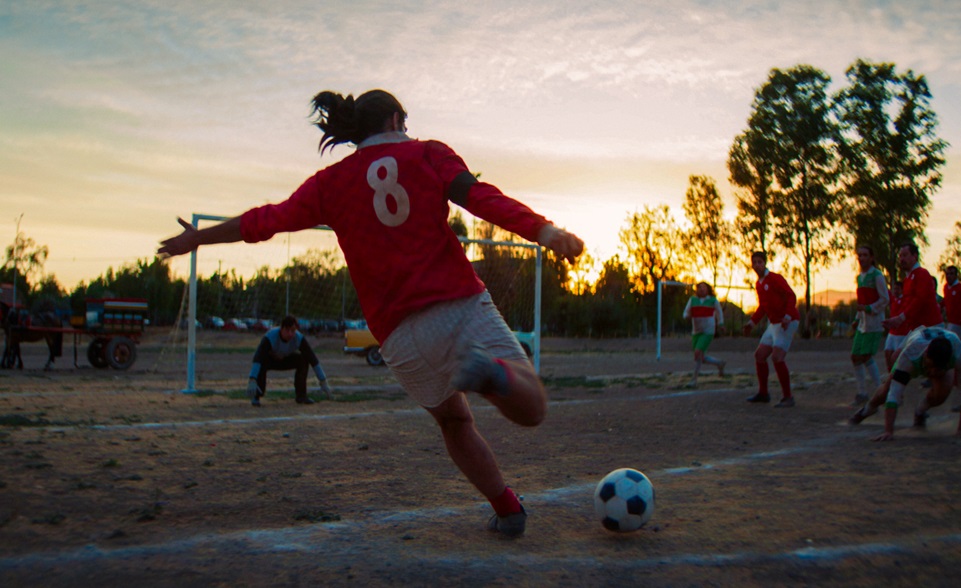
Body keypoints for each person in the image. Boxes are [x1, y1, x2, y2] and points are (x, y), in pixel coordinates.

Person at [158, 89, 584, 538]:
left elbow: (266, 220)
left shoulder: (329, 183)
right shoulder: (428, 153)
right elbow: (478, 197)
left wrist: (199, 238)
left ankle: (508, 509)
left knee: (454, 420)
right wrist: (542, 230)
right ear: (396, 120)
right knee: (532, 407)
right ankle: (490, 372)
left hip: (399, 337)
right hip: (458, 306)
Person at [849, 326, 961, 441]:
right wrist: (888, 431)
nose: (932, 372)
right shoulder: (910, 354)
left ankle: (920, 411)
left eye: (938, 368)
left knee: (941, 394)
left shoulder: (958, 354)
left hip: (939, 349)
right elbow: (894, 394)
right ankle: (868, 409)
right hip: (913, 341)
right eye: (930, 366)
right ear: (926, 353)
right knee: (887, 390)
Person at [742, 251, 800, 407]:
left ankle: (788, 397)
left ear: (765, 263)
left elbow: (791, 295)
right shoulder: (759, 284)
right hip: (774, 324)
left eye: (760, 262)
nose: (757, 265)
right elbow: (763, 307)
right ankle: (763, 393)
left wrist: (788, 315)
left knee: (777, 357)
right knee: (760, 355)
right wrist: (752, 323)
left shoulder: (775, 278)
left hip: (787, 321)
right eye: (754, 262)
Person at [247, 315, 331, 407]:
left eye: (293, 330)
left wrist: (323, 381)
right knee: (261, 363)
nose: (290, 334)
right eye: (287, 330)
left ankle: (301, 396)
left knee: (303, 360)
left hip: (286, 359)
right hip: (270, 360)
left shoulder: (298, 338)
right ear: (281, 328)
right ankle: (256, 395)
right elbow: (258, 357)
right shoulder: (270, 336)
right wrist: (252, 379)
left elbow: (313, 359)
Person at [849, 246, 889, 406]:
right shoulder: (860, 277)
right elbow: (861, 302)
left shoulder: (877, 276)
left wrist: (870, 308)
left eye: (865, 255)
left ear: (871, 258)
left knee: (866, 356)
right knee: (855, 356)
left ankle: (880, 390)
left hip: (874, 323)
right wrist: (857, 318)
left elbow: (885, 299)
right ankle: (862, 392)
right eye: (859, 255)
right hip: (863, 323)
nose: (861, 258)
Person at [882, 242, 942, 334]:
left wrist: (900, 318)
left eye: (905, 255)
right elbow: (907, 304)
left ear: (915, 256)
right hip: (917, 329)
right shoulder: (907, 279)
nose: (902, 259)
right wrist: (897, 319)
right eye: (900, 256)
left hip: (930, 327)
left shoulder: (922, 274)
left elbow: (919, 300)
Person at [682, 281, 725, 387]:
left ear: (708, 289)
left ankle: (694, 380)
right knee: (699, 357)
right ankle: (719, 363)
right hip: (696, 331)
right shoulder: (692, 300)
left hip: (708, 331)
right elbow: (686, 312)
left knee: (698, 353)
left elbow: (719, 312)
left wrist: (721, 323)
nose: (701, 289)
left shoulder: (712, 300)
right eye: (699, 287)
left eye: (704, 287)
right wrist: (687, 316)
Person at [883, 281, 909, 372]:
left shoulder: (905, 300)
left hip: (901, 333)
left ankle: (897, 372)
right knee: (887, 352)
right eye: (894, 289)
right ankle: (890, 372)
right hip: (892, 332)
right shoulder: (893, 299)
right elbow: (885, 292)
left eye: (897, 289)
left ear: (902, 290)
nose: (895, 291)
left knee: (897, 357)